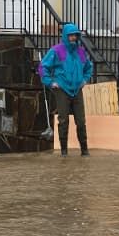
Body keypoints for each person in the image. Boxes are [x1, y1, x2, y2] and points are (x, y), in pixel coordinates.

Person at [39, 22, 93, 156]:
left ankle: (84, 150)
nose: (73, 37)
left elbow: (89, 67)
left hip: (77, 89)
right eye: (71, 35)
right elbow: (43, 67)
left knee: (81, 121)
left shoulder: (81, 51)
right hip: (62, 89)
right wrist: (50, 82)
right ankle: (64, 151)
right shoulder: (56, 50)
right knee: (63, 120)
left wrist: (85, 80)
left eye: (75, 35)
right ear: (65, 36)